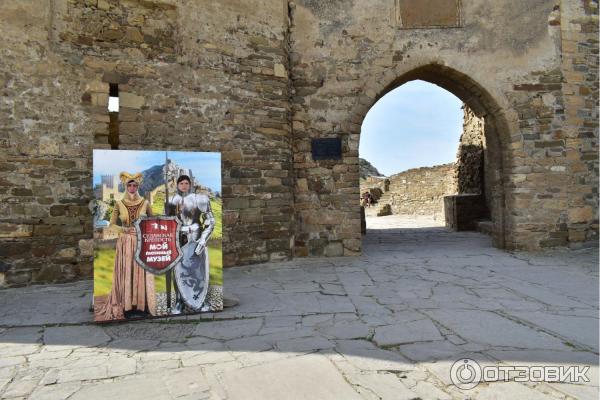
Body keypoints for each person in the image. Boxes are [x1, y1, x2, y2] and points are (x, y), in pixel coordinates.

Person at [97, 172, 156, 321]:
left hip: (141, 242)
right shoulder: (119, 204)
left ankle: (143, 305)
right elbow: (111, 225)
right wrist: (123, 230)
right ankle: (127, 306)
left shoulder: (145, 203)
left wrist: (144, 230)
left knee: (141, 272)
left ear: (138, 186)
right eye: (129, 185)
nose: (131, 187)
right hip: (125, 243)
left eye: (134, 185)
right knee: (127, 271)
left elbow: (153, 221)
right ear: (125, 186)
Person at [166, 175, 215, 313]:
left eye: (186, 183)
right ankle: (179, 301)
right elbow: (167, 222)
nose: (184, 185)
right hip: (178, 237)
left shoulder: (201, 199)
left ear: (190, 184)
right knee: (178, 270)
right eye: (181, 183)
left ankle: (201, 299)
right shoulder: (171, 201)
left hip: (196, 236)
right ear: (177, 184)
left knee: (198, 269)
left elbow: (210, 221)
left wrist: (203, 239)